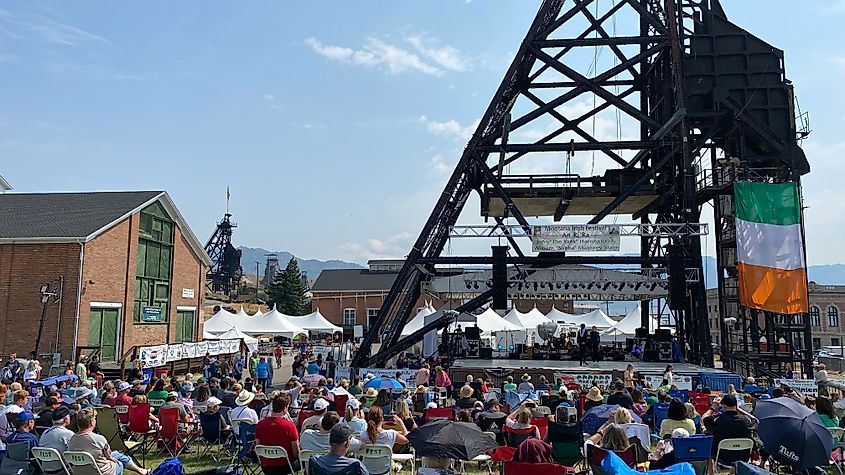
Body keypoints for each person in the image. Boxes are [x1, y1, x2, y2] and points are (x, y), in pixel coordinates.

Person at [68, 408, 149, 475]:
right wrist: (110, 458)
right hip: (99, 471)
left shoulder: (71, 439)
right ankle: (140, 470)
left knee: (117, 454)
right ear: (92, 422)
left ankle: (139, 470)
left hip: (79, 471)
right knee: (118, 463)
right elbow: (108, 455)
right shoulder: (98, 439)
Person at [701, 394, 757, 465]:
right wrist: (739, 409)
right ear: (736, 405)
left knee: (708, 446)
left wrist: (713, 408)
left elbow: (703, 418)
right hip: (743, 457)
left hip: (723, 457)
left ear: (723, 405)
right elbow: (755, 420)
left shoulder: (718, 420)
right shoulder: (745, 420)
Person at [255, 393, 299, 475]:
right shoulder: (289, 426)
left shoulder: (260, 425)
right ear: (285, 408)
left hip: (266, 465)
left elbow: (258, 445)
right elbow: (295, 453)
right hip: (285, 466)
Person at [38, 407, 74, 472]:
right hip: (63, 470)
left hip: (45, 469)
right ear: (66, 419)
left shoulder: (45, 433)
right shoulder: (68, 434)